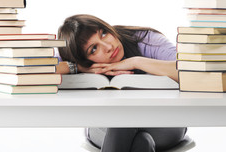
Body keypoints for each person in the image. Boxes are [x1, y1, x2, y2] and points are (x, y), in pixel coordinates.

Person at [55, 14, 187, 152]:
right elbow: (34, 70)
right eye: (93, 49)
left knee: (124, 118)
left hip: (164, 123)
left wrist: (136, 62)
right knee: (136, 136)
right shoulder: (74, 57)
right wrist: (77, 67)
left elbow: (190, 71)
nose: (108, 46)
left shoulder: (145, 40)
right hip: (105, 128)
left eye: (104, 34)